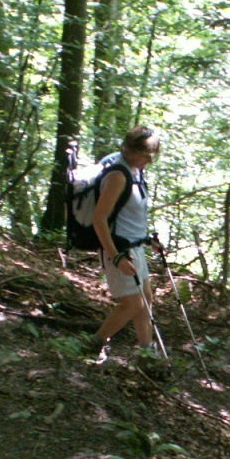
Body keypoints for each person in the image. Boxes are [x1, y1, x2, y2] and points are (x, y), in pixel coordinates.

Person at [85, 126, 163, 358]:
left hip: (135, 246)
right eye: (146, 155)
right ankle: (93, 343)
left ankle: (147, 353)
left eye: (153, 155)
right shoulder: (119, 175)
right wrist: (115, 256)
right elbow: (98, 218)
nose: (150, 160)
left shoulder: (135, 170)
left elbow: (129, 214)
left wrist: (148, 239)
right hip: (120, 250)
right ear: (130, 151)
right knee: (133, 305)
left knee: (145, 300)